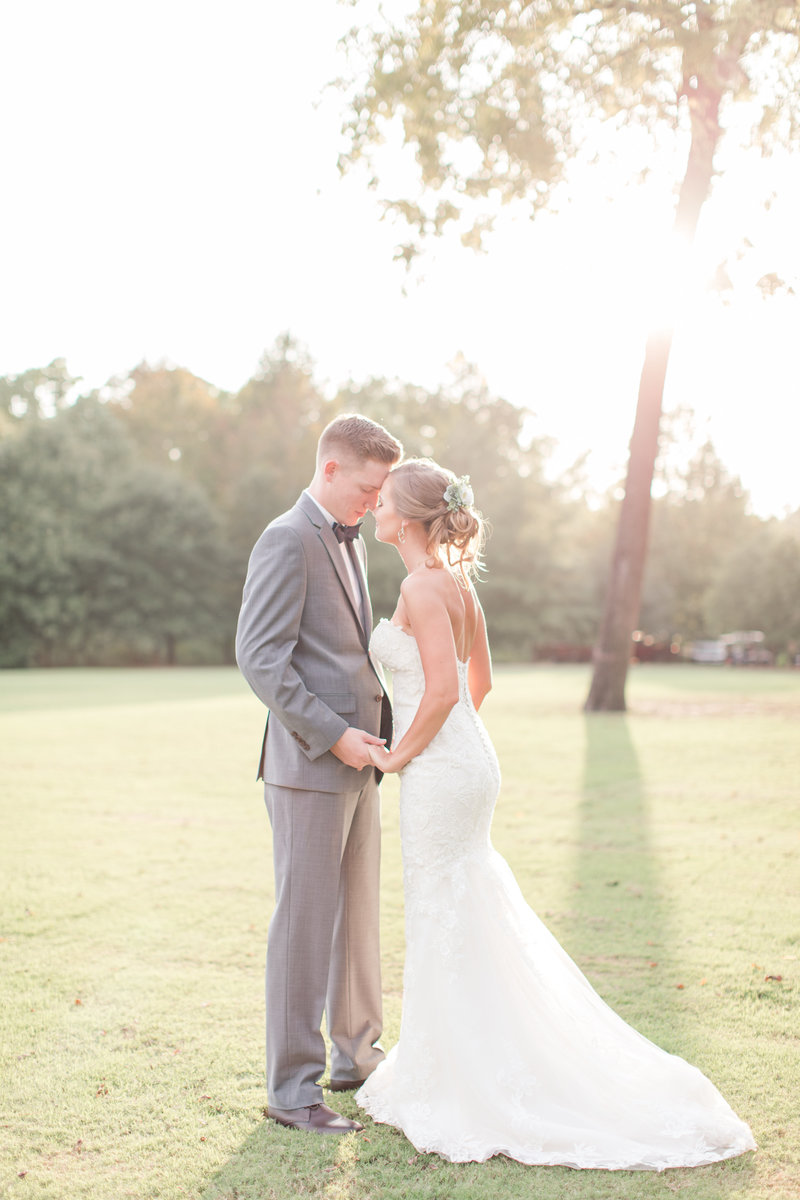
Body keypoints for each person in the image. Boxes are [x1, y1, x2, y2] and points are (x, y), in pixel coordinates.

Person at [357, 457, 756, 1169]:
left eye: (382, 501)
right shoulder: (456, 588)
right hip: (469, 764)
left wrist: (399, 756)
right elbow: (483, 682)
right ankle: (450, 1057)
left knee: (441, 906)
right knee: (463, 904)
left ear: (411, 518)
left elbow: (446, 691)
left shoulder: (422, 587)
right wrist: (449, 745)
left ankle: (457, 1077)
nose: (373, 510)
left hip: (441, 772)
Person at [236, 413, 403, 1136]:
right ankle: (291, 1089)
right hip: (309, 766)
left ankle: (355, 1057)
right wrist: (335, 738)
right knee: (304, 927)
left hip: (360, 763)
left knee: (356, 918)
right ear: (331, 469)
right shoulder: (285, 538)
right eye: (367, 489)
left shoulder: (351, 540)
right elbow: (261, 658)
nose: (373, 503)